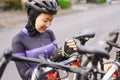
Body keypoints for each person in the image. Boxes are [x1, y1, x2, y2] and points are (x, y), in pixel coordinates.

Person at [11, 0, 77, 80]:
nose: (48, 24)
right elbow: (24, 74)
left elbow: (58, 61)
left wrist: (66, 54)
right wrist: (49, 63)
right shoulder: (18, 40)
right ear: (32, 16)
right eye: (45, 20)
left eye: (51, 20)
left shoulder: (49, 33)